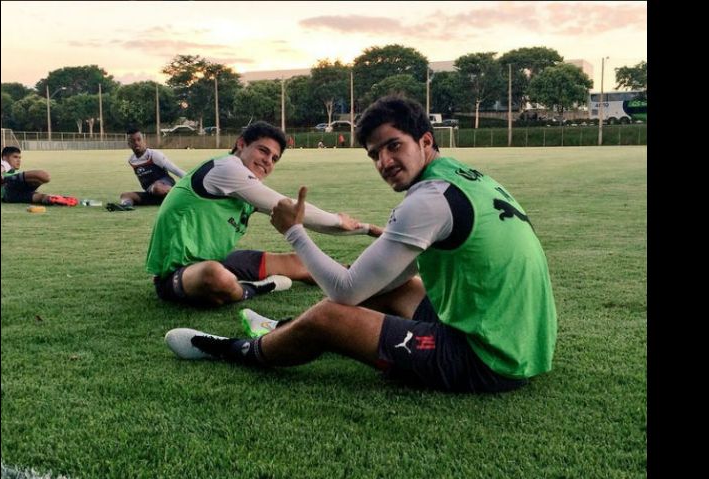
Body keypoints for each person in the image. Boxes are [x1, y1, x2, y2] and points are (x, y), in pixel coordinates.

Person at [165, 96, 557, 394]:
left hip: (489, 358)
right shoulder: (463, 177)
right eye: (374, 154)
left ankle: (237, 349)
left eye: (393, 146)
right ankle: (286, 330)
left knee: (328, 317)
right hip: (522, 342)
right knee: (401, 287)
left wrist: (295, 231)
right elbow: (390, 277)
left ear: (424, 140)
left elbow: (345, 291)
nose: (384, 161)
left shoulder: (427, 201)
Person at [146, 121, 377, 308]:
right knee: (215, 276)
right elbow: (291, 209)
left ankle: (364, 280)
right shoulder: (227, 169)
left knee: (300, 263)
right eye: (263, 150)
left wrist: (365, 229)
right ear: (241, 144)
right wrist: (339, 220)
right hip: (178, 274)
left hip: (218, 259)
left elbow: (298, 219)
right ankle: (255, 287)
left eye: (274, 158)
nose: (268, 161)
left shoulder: (243, 185)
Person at [106, 128, 187, 211]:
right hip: (152, 193)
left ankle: (183, 196)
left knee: (157, 188)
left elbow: (176, 170)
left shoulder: (154, 155)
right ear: (129, 144)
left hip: (164, 187)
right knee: (125, 195)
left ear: (144, 141)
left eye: (139, 139)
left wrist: (193, 182)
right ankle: (126, 206)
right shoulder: (132, 161)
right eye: (133, 141)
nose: (136, 143)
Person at [0, 146, 78, 206]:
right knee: (44, 176)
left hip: (10, 197)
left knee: (40, 197)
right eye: (15, 157)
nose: (19, 160)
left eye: (20, 158)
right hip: (8, 187)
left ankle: (54, 199)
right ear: (4, 158)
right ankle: (7, 180)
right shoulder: (4, 164)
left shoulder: (11, 171)